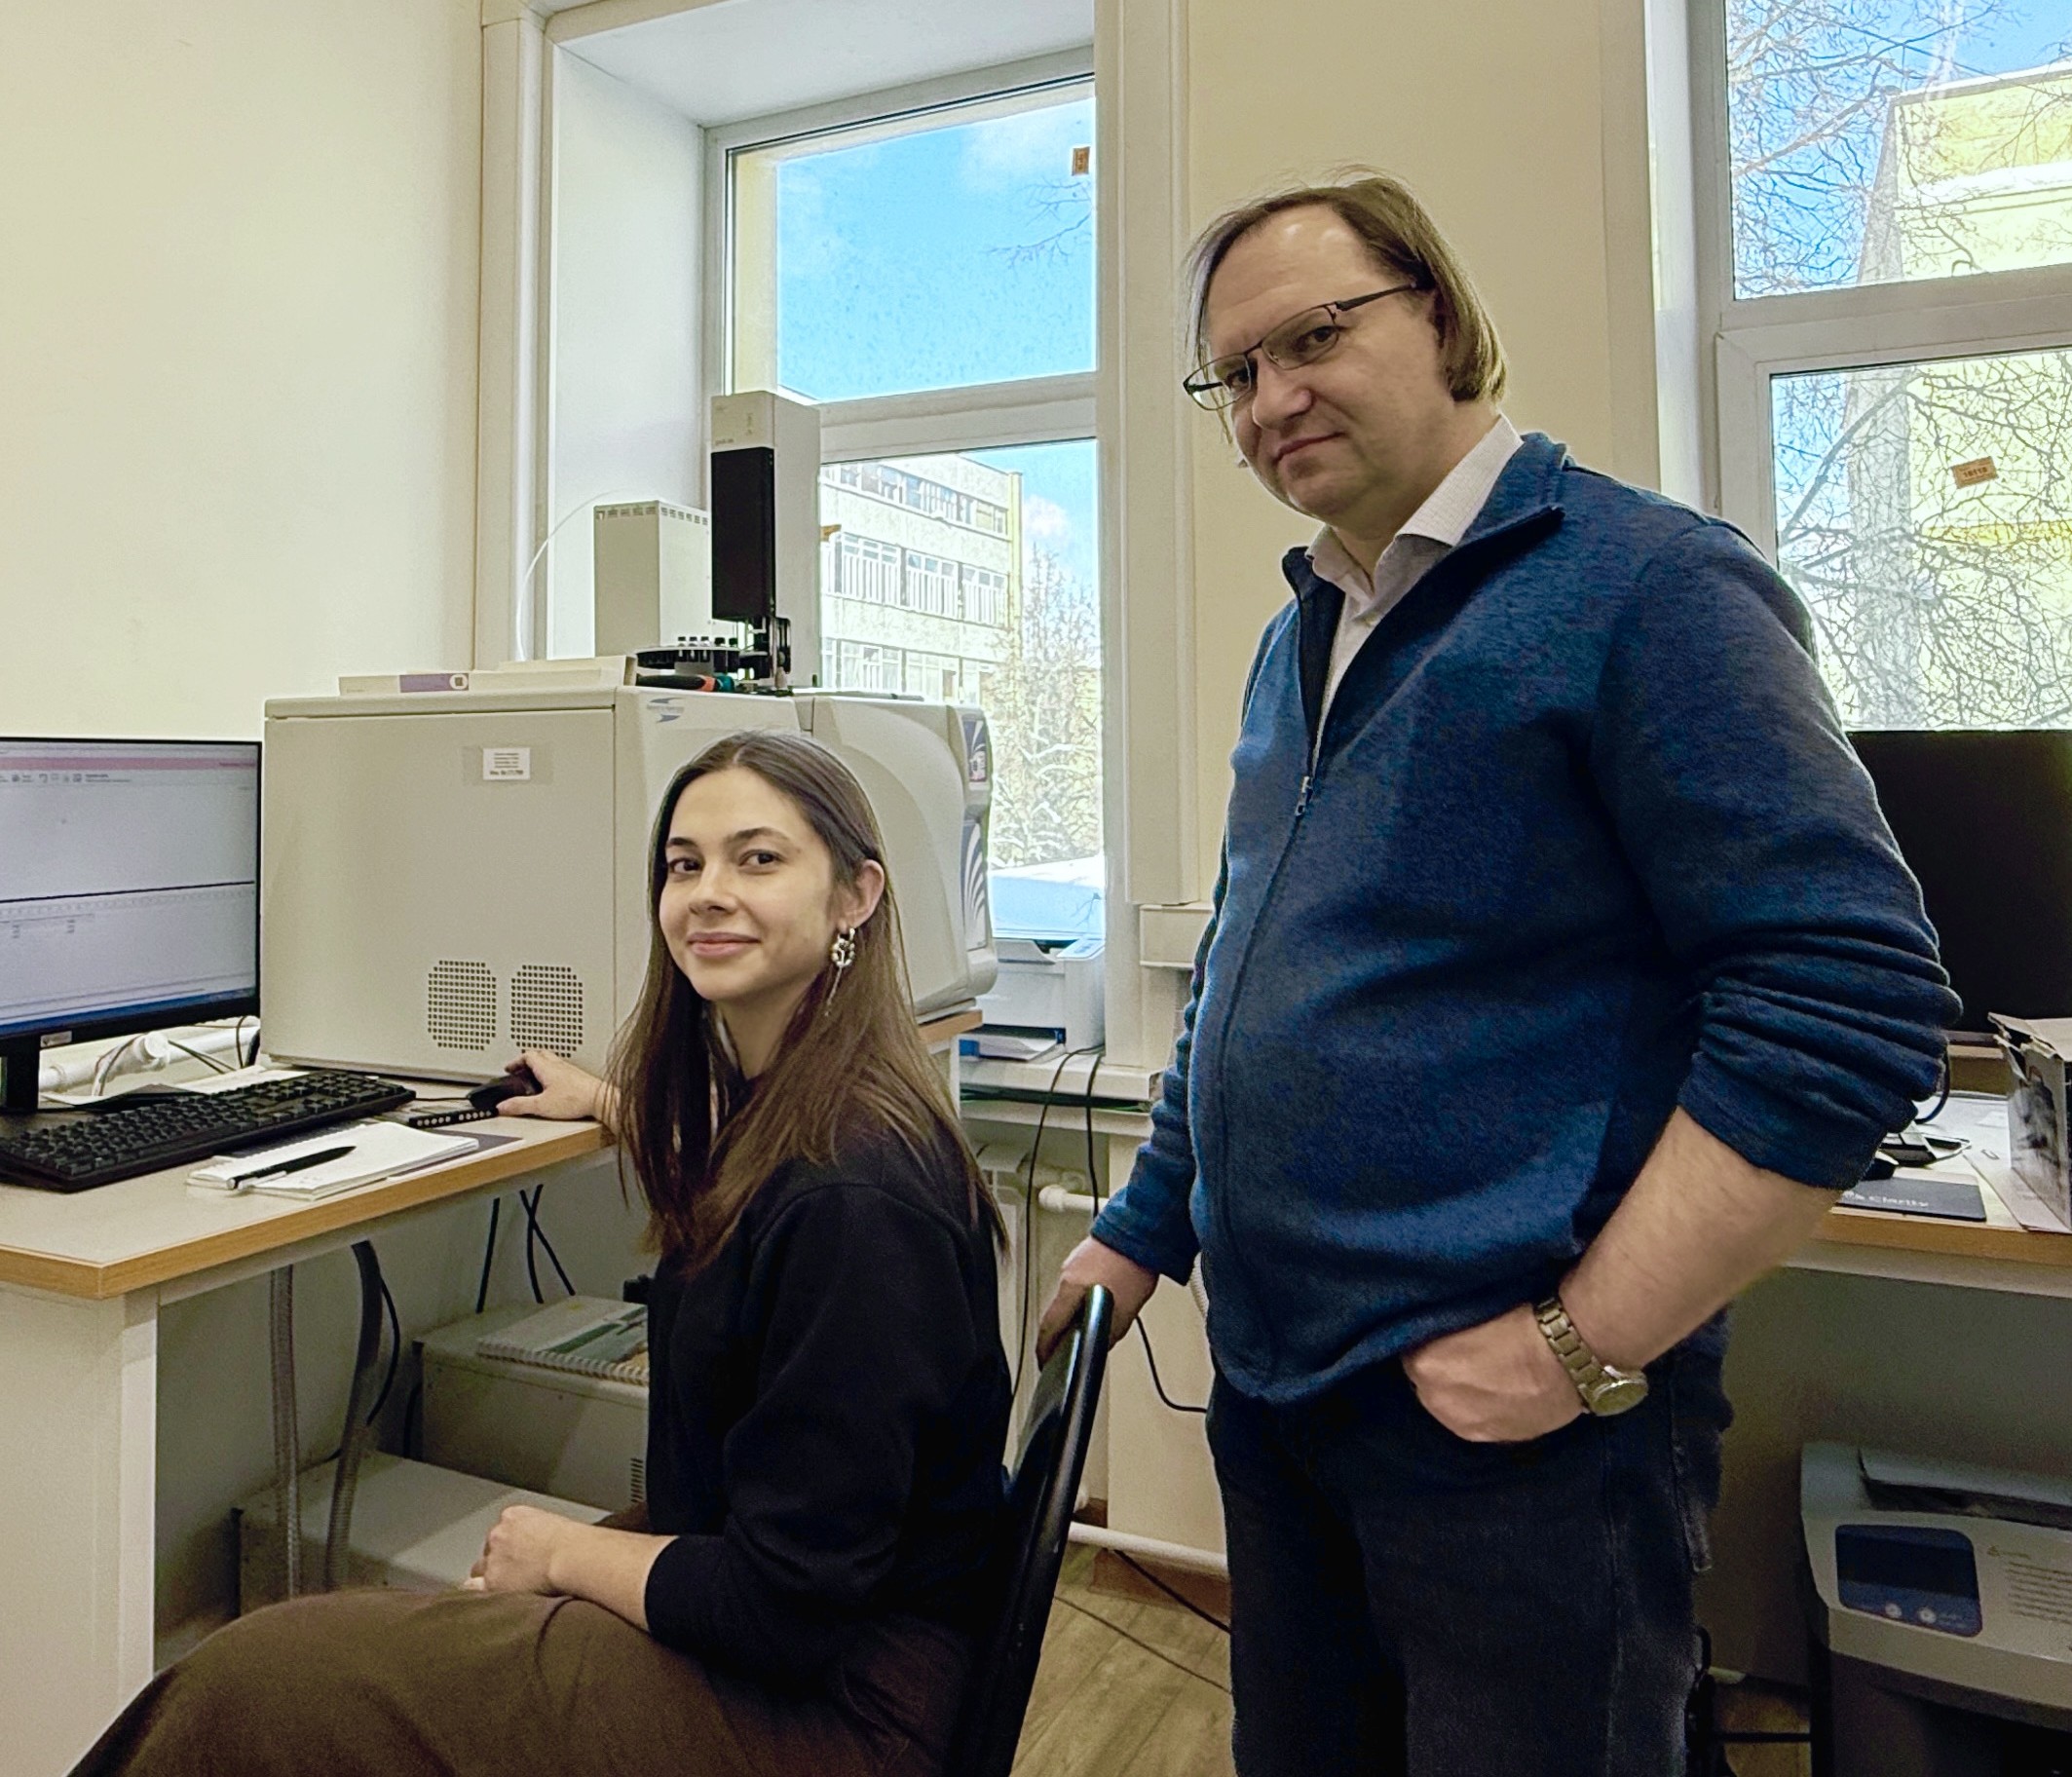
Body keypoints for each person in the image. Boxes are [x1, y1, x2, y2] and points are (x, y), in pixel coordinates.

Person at [1037, 172, 1957, 1776]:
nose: (1268, 399)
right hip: (1278, 1396)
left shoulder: (1647, 584)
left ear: (1441, 317)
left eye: (1310, 338)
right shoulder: (1300, 634)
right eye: (1231, 374)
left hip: (1513, 1434)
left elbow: (1845, 998)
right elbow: (1243, 973)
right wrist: (1138, 1226)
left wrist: (1579, 1343)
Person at [74, 731, 1011, 1777]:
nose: (709, 893)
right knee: (329, 1665)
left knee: (258, 1678)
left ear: (855, 897)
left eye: (758, 859)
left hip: (831, 1710)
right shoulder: (804, 1117)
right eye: (684, 864)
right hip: (810, 1633)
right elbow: (747, 1183)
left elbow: (786, 1606)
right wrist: (611, 1102)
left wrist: (561, 1550)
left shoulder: (853, 1200)